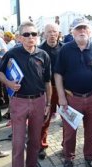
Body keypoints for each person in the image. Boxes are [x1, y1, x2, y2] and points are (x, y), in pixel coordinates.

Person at [0, 21, 51, 167]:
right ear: (20, 37)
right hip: (19, 101)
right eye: (26, 34)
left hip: (39, 101)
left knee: (34, 140)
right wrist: (9, 83)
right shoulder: (12, 53)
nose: (30, 37)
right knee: (18, 143)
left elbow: (48, 81)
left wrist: (48, 104)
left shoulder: (43, 55)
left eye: (33, 34)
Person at [54, 17, 92, 167]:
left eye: (84, 28)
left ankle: (89, 156)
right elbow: (58, 74)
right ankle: (68, 157)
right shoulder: (65, 49)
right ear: (72, 31)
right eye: (78, 28)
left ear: (90, 31)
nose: (82, 31)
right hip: (72, 99)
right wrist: (62, 97)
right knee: (69, 133)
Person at [38, 23, 63, 159]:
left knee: (67, 117)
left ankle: (67, 145)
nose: (52, 34)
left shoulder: (65, 48)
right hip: (46, 89)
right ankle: (41, 145)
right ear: (44, 34)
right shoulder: (39, 50)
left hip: (63, 89)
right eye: (49, 32)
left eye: (54, 32)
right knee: (44, 118)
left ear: (58, 33)